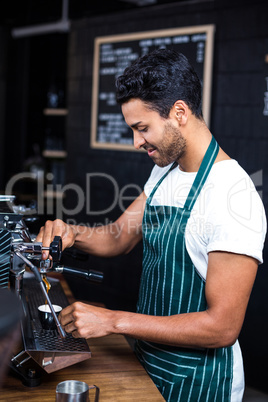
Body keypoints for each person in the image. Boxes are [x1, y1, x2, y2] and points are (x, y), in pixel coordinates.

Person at [36, 49, 266, 401]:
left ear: (179, 112)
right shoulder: (164, 170)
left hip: (199, 380)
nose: (136, 142)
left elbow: (222, 327)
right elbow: (119, 238)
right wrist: (72, 233)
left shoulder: (233, 194)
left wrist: (112, 321)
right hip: (148, 359)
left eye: (142, 128)